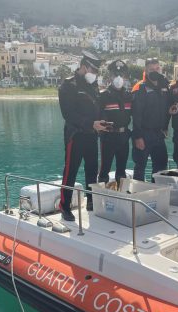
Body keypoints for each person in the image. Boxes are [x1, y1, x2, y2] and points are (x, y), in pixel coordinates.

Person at [58, 51, 108, 221]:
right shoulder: (68, 86)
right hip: (75, 135)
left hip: (92, 135)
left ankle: (91, 202)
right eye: (93, 71)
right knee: (70, 171)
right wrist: (90, 124)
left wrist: (101, 123)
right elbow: (68, 114)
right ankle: (64, 207)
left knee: (91, 170)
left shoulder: (92, 86)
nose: (95, 75)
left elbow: (97, 108)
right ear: (84, 67)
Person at [131, 58, 170, 181]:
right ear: (146, 71)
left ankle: (156, 194)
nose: (155, 71)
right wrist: (138, 137)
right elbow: (136, 114)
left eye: (157, 69)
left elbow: (166, 108)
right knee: (140, 166)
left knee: (161, 166)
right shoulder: (140, 88)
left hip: (159, 134)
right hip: (143, 133)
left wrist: (165, 127)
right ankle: (138, 196)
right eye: (151, 69)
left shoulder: (164, 87)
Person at [98, 60, 132, 185]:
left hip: (124, 137)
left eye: (121, 75)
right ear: (110, 77)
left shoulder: (129, 95)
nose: (118, 78)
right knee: (104, 170)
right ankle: (99, 200)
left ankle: (121, 199)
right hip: (108, 137)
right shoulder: (103, 96)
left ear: (125, 77)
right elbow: (97, 116)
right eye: (115, 75)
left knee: (121, 172)